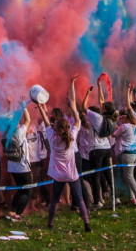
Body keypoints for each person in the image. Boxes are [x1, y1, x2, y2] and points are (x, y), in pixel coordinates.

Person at [36, 79, 91, 233]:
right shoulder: (72, 136)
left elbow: (47, 122)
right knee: (79, 199)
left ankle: (50, 224)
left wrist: (40, 108)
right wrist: (74, 108)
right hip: (72, 175)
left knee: (55, 201)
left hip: (58, 176)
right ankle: (86, 224)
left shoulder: (52, 139)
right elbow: (78, 120)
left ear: (57, 128)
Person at [79, 75, 116, 210]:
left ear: (104, 109)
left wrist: (87, 94)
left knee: (96, 175)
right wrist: (100, 86)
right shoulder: (111, 118)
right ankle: (114, 198)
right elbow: (102, 101)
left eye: (103, 106)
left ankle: (97, 201)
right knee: (108, 174)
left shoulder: (97, 118)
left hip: (97, 149)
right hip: (107, 148)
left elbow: (83, 108)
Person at [113, 82, 136, 207]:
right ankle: (132, 198)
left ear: (126, 117)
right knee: (128, 177)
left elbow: (114, 134)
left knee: (129, 177)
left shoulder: (125, 126)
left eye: (121, 117)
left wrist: (111, 126)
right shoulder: (134, 124)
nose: (120, 118)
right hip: (134, 153)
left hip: (127, 154)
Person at [6, 97, 32, 221]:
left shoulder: (6, 133)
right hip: (23, 167)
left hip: (12, 167)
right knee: (27, 191)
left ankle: (12, 211)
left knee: (20, 189)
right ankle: (18, 214)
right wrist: (23, 106)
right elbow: (28, 119)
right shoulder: (19, 132)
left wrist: (9, 104)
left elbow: (9, 117)